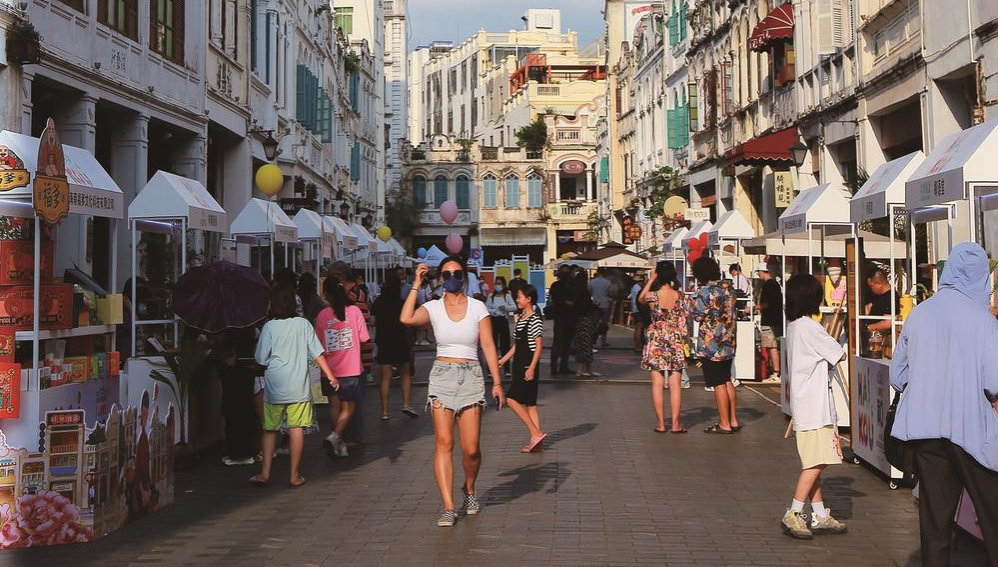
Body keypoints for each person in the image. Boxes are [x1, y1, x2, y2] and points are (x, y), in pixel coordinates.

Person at [890, 243, 998, 566]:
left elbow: (898, 376)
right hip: (972, 432)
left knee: (935, 524)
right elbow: (994, 382)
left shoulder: (919, 314)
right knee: (992, 515)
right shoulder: (983, 321)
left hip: (925, 431)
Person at [400, 256, 504, 527]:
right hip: (442, 376)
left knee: (471, 449)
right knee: (444, 443)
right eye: (446, 274)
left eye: (457, 273)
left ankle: (469, 489)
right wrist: (416, 283)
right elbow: (406, 317)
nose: (452, 278)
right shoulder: (433, 307)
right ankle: (448, 506)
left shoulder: (477, 307)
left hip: (471, 376)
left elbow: (488, 346)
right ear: (440, 279)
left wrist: (497, 382)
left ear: (464, 277)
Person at [780, 274, 849, 539]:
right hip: (816, 408)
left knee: (814, 460)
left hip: (805, 404)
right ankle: (794, 512)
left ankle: (820, 515)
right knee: (818, 462)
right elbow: (839, 354)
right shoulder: (810, 327)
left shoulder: (794, 326)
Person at [251, 287, 337, 487]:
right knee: (296, 428)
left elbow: (261, 358)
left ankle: (265, 474)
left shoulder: (269, 327)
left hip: (274, 386)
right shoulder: (303, 324)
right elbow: (317, 353)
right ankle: (294, 476)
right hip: (298, 387)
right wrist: (330, 375)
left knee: (270, 429)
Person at [314, 276, 369, 458]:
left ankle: (340, 442)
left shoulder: (322, 315)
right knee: (349, 407)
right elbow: (364, 339)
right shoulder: (354, 311)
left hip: (329, 370)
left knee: (334, 406)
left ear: (326, 295)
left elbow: (317, 344)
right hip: (351, 369)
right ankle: (335, 436)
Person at [691, 257, 739, 434]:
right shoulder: (728, 289)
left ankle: (724, 423)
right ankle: (733, 420)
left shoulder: (706, 291)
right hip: (728, 340)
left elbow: (697, 315)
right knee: (727, 379)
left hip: (712, 343)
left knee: (718, 383)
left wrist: (692, 303)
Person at [639, 261, 688, 433]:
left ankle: (661, 424)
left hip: (656, 339)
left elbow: (640, 299)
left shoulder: (652, 296)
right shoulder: (680, 295)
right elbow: (684, 317)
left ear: (658, 275)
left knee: (657, 384)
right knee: (675, 385)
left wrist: (651, 279)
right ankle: (675, 424)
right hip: (675, 339)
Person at [497, 284, 546, 452]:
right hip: (518, 364)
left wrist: (531, 368)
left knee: (511, 399)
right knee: (531, 404)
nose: (517, 300)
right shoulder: (521, 317)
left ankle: (536, 433)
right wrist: (503, 360)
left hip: (527, 364)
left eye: (519, 297)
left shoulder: (535, 319)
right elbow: (517, 344)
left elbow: (539, 346)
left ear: (529, 299)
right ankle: (537, 442)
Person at [372, 275, 416, 420]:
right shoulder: (402, 303)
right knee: (405, 373)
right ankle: (407, 404)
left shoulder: (378, 302)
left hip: (384, 341)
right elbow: (408, 321)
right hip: (400, 340)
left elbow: (372, 321)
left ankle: (385, 411)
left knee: (385, 377)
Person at [756, 263, 783, 382]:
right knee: (772, 346)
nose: (758, 274)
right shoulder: (776, 284)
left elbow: (766, 304)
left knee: (771, 346)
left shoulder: (768, 285)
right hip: (776, 319)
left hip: (769, 320)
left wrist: (752, 308)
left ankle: (776, 372)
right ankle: (775, 371)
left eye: (758, 272)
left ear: (763, 271)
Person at [548, 265, 576, 375]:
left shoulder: (570, 285)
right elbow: (556, 299)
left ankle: (562, 366)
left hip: (567, 316)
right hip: (561, 316)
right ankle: (556, 366)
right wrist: (567, 302)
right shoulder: (560, 285)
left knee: (565, 343)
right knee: (559, 343)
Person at [573, 270, 600, 378]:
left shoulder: (575, 291)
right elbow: (587, 306)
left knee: (582, 344)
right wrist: (595, 305)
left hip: (578, 320)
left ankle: (586, 369)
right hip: (586, 320)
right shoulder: (584, 292)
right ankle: (582, 369)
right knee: (586, 345)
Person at [486, 276, 516, 375]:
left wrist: (505, 308)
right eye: (496, 283)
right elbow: (486, 308)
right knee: (492, 345)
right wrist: (494, 311)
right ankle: (491, 370)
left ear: (503, 285)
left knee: (505, 345)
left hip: (503, 320)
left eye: (499, 283)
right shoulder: (491, 296)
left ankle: (506, 369)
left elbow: (514, 307)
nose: (497, 285)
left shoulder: (507, 295)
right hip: (493, 321)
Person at [864, 266, 895, 334]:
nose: (871, 289)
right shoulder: (878, 296)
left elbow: (888, 323)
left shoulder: (890, 297)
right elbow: (868, 308)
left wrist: (867, 327)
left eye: (872, 286)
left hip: (879, 336)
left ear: (879, 283)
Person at [590, 267, 612, 347]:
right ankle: (603, 341)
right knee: (604, 323)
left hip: (595, 304)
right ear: (604, 273)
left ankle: (592, 340)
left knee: (594, 323)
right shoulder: (608, 282)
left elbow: (589, 292)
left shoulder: (592, 282)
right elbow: (610, 292)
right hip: (605, 304)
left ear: (597, 272)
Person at [629, 272, 650, 353]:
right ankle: (638, 345)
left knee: (639, 328)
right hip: (638, 309)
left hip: (635, 309)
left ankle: (639, 344)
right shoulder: (638, 288)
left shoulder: (634, 287)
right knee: (639, 327)